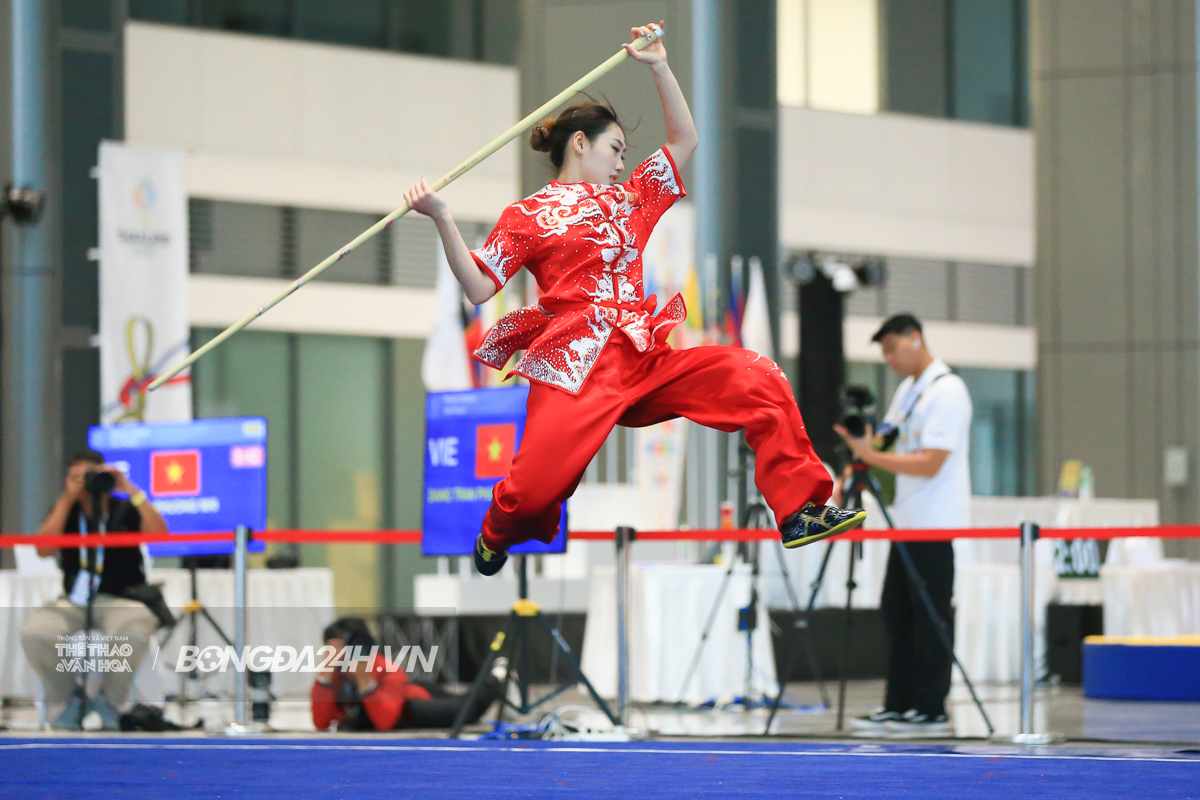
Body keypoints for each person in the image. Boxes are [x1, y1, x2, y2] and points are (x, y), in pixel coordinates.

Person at [404, 21, 865, 576]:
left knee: (759, 376)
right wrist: (443, 218)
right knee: (531, 495)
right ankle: (495, 535)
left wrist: (660, 67)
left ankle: (798, 511)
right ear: (580, 144)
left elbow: (684, 142)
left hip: (644, 356)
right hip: (576, 365)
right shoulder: (526, 216)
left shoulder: (630, 199)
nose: (624, 162)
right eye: (615, 148)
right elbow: (479, 286)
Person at [834, 313, 973, 736]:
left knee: (930, 617)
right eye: (885, 353)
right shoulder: (909, 391)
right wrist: (851, 467)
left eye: (894, 348)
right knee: (896, 613)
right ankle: (898, 703)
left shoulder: (947, 391)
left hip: (936, 523)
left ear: (917, 338)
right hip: (905, 523)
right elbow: (883, 440)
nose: (890, 359)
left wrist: (870, 457)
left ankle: (931, 707)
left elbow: (931, 462)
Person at [21, 449, 168, 730]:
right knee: (36, 631)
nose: (87, 482)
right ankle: (66, 701)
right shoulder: (67, 510)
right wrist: (67, 498)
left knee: (134, 629)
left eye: (91, 475)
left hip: (123, 598)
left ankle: (110, 703)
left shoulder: (124, 508)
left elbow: (160, 535)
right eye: (78, 476)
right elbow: (42, 549)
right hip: (73, 601)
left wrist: (128, 488)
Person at [311, 617, 502, 731]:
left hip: (412, 701)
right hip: (399, 696)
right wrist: (325, 679)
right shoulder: (332, 675)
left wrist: (365, 682)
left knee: (466, 709)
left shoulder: (386, 669)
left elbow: (385, 722)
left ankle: (498, 677)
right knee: (461, 698)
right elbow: (321, 723)